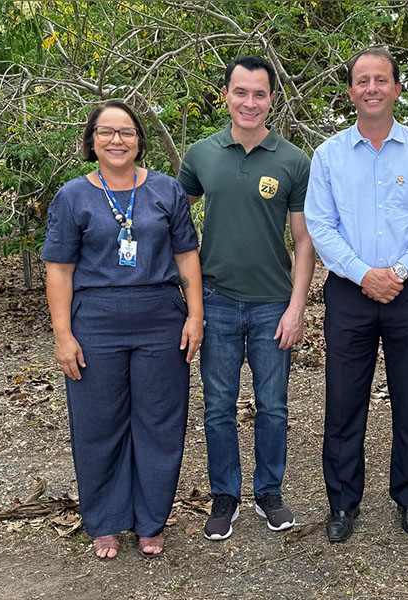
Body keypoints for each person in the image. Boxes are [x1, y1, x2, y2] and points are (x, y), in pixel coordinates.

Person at [304, 47, 408, 543]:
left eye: (381, 79)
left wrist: (399, 271)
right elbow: (321, 227)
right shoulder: (327, 155)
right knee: (344, 401)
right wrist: (364, 274)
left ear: (396, 88)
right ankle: (342, 502)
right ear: (350, 91)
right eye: (362, 80)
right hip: (349, 294)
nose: (371, 88)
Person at [42, 99, 203, 560]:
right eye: (107, 132)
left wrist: (195, 316)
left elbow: (186, 255)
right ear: (91, 141)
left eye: (127, 132)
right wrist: (62, 334)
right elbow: (59, 269)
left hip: (161, 321)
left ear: (140, 140)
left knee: (159, 423)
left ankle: (150, 520)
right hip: (94, 322)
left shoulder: (166, 190)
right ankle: (107, 521)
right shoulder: (73, 196)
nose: (117, 140)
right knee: (98, 424)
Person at [177, 55, 315, 541]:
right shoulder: (200, 155)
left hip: (272, 304)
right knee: (217, 405)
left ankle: (269, 492)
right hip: (214, 300)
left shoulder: (293, 160)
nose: (249, 102)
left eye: (259, 94)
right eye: (241, 92)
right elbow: (174, 220)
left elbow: (303, 241)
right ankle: (226, 496)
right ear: (226, 95)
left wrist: (296, 308)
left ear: (271, 99)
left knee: (272, 405)